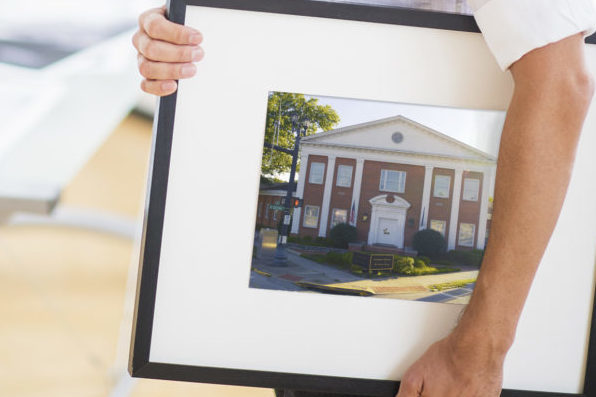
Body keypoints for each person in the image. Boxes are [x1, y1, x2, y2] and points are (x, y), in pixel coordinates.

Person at [132, 1, 596, 396]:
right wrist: (191, 40)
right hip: (325, 349)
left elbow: (559, 85)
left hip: (464, 355)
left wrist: (480, 350)